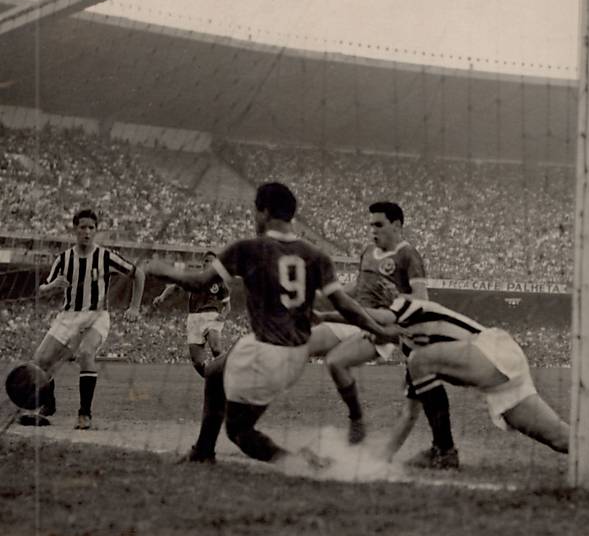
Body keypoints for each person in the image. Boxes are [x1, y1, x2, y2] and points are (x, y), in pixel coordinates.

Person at [145, 182, 404, 467]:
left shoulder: (247, 249)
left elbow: (200, 282)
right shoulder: (315, 255)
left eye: (255, 212)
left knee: (239, 431)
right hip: (294, 354)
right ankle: (203, 451)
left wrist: (164, 270)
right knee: (215, 371)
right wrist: (381, 331)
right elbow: (345, 304)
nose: (254, 219)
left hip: (267, 352)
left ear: (264, 212)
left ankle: (302, 463)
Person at [318, 295, 569, 462]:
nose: (369, 336)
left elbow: (380, 318)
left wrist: (324, 315)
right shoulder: (415, 356)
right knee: (560, 438)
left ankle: (444, 451)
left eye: (367, 330)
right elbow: (409, 414)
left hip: (492, 349)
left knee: (420, 360)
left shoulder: (405, 306)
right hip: (499, 377)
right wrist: (377, 462)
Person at [308, 202, 457, 468]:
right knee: (306, 344)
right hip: (353, 318)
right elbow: (358, 288)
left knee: (336, 362)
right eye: (371, 224)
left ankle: (365, 434)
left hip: (382, 326)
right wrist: (328, 295)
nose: (372, 230)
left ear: (397, 225)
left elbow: (422, 299)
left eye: (379, 224)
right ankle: (361, 428)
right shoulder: (367, 251)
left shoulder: (409, 256)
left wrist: (394, 305)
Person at [21, 208, 145, 429]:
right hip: (68, 316)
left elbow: (138, 273)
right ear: (75, 229)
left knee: (86, 353)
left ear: (96, 230)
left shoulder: (105, 256)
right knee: (40, 362)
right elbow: (42, 289)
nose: (87, 232)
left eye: (91, 228)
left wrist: (134, 307)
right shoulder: (63, 259)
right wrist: (52, 285)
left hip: (97, 316)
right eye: (82, 227)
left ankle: (84, 414)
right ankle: (47, 405)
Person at [152, 250, 230, 377]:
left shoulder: (220, 282)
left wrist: (223, 315)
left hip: (212, 316)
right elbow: (174, 286)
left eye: (212, 261)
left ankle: (230, 375)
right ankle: (212, 381)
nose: (209, 263)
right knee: (197, 362)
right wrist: (162, 297)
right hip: (194, 318)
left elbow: (227, 306)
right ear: (202, 263)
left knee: (216, 348)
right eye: (206, 261)